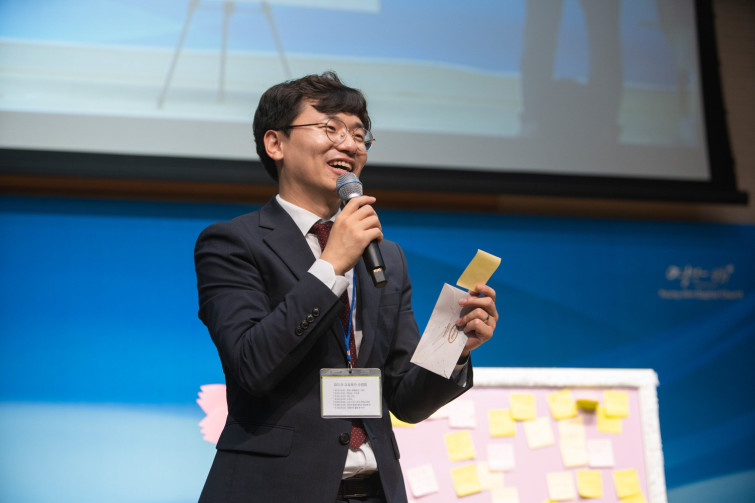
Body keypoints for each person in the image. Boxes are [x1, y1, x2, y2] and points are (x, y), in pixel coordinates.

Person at [194, 71, 498, 503]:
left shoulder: (385, 255)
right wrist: (331, 265)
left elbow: (406, 400)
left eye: (359, 134)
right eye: (330, 128)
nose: (351, 145)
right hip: (274, 489)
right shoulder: (233, 243)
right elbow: (252, 366)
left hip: (375, 490)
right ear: (275, 143)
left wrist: (455, 347)